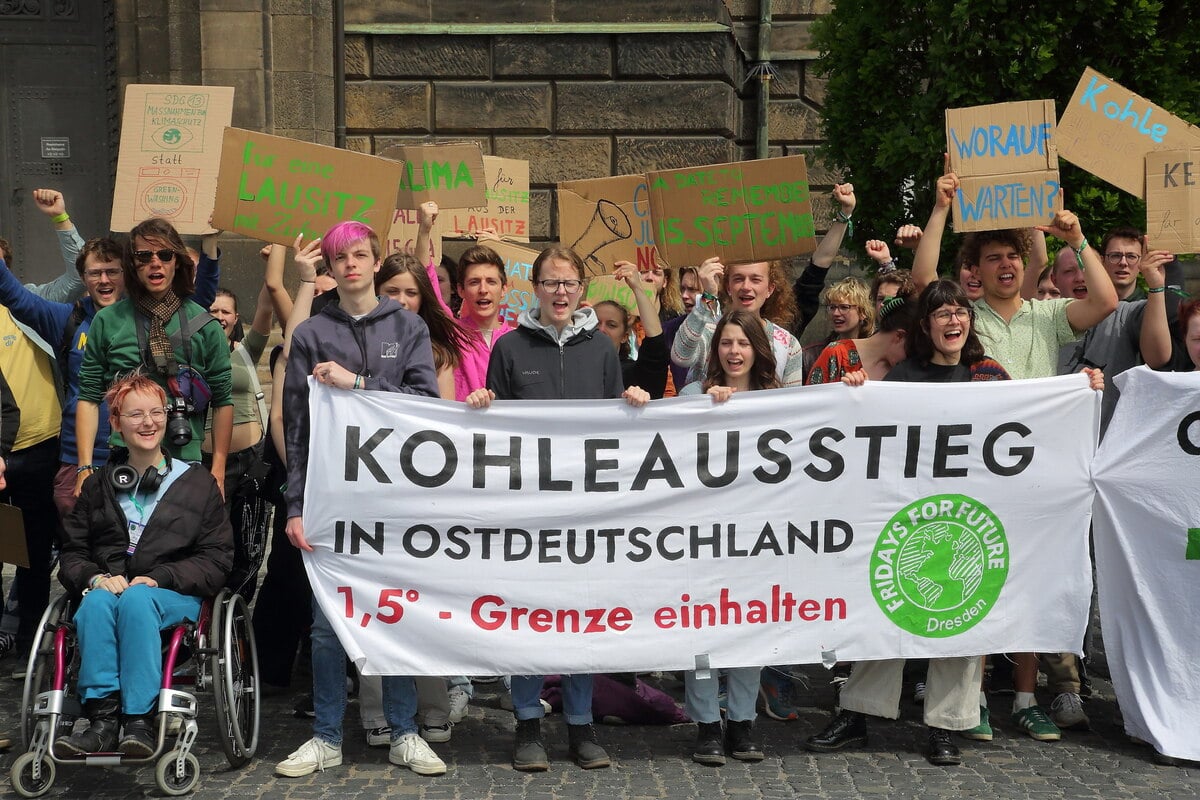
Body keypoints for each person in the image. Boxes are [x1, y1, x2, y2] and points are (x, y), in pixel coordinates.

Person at [912, 159, 1118, 744]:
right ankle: (972, 696)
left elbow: (1102, 301)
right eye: (992, 258)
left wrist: (1075, 239)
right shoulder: (962, 318)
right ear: (974, 270)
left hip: (1036, 471)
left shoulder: (1049, 316)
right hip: (976, 470)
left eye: (1013, 256)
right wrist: (941, 208)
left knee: (1028, 582)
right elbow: (925, 281)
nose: (1005, 264)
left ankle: (1026, 698)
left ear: (1026, 264)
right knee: (974, 580)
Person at [466, 245, 650, 772]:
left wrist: (632, 403)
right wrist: (483, 405)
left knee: (580, 619)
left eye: (569, 283)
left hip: (586, 513)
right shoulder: (509, 347)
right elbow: (495, 434)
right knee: (528, 617)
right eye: (550, 284)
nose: (561, 293)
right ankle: (527, 724)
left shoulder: (601, 350)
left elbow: (618, 433)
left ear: (581, 289)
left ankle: (580, 726)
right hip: (529, 513)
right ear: (536, 289)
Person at [278, 222, 446, 778]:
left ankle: (404, 731)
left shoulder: (410, 326)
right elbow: (298, 430)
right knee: (328, 623)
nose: (350, 264)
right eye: (339, 257)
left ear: (376, 262)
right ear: (329, 267)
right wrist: (295, 504)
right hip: (332, 497)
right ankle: (326, 736)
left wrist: (360, 385)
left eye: (360, 255)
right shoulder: (308, 335)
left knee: (394, 615)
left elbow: (426, 404)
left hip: (396, 498)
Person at [54, 373, 233, 757]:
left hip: (172, 597)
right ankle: (102, 720)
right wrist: (94, 576)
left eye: (156, 412)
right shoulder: (98, 486)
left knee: (136, 601)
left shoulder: (197, 484)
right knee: (97, 603)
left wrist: (160, 578)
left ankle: (139, 719)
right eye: (135, 415)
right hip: (112, 593)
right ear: (116, 423)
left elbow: (217, 559)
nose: (148, 422)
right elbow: (72, 554)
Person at [677, 309, 778, 764]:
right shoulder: (696, 394)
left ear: (758, 349)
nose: (734, 352)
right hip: (702, 537)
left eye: (742, 343)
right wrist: (701, 408)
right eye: (725, 343)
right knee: (701, 632)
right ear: (714, 349)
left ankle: (742, 722)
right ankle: (706, 726)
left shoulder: (781, 399)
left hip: (759, 535)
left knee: (750, 629)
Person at [75, 218, 233, 494]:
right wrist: (85, 466)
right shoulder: (107, 321)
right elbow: (88, 395)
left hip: (187, 459)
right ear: (131, 264)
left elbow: (222, 400)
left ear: (177, 262)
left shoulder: (205, 325)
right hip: (124, 459)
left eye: (165, 254)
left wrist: (218, 471)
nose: (155, 262)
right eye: (144, 256)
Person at [672, 257, 804, 387]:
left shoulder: (788, 346)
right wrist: (708, 296)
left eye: (755, 280)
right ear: (728, 287)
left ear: (770, 289)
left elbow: (791, 404)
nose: (746, 287)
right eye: (738, 279)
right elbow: (680, 357)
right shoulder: (708, 331)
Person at [594, 260, 668, 398]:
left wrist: (637, 287)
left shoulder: (632, 374)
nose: (601, 329)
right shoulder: (571, 367)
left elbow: (656, 345)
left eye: (611, 325)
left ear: (625, 336)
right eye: (595, 323)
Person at [805, 296, 918, 385]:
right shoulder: (837, 353)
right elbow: (811, 404)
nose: (911, 359)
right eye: (911, 350)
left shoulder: (905, 372)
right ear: (899, 336)